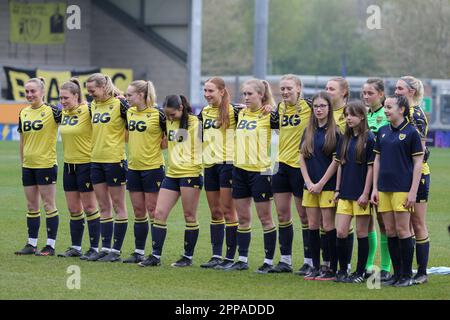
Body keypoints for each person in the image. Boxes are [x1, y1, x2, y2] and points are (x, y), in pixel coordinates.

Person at [139, 95, 203, 268]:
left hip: (191, 174)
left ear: (181, 108)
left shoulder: (196, 122)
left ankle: (187, 257)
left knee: (189, 216)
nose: (169, 118)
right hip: (172, 175)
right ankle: (155, 256)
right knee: (159, 214)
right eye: (167, 115)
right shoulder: (167, 121)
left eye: (172, 114)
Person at [370, 94, 424, 287]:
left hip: (402, 188)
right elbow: (377, 160)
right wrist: (374, 188)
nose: (385, 110)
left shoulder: (411, 132)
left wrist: (412, 192)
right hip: (384, 189)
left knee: (403, 230)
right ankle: (397, 273)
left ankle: (407, 275)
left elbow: (418, 163)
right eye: (385, 107)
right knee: (390, 230)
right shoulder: (383, 131)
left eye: (389, 107)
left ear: (401, 109)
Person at [227, 79, 278, 273]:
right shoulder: (240, 112)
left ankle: (268, 261)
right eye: (244, 94)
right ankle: (242, 259)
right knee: (242, 219)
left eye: (250, 94)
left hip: (261, 171)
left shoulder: (269, 116)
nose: (246, 97)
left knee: (265, 219)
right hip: (239, 170)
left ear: (261, 95)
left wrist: (271, 108)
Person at [269, 74, 312, 274]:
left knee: (304, 216)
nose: (285, 92)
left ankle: (310, 261)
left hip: (300, 167)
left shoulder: (310, 107)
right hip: (280, 166)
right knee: (282, 214)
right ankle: (285, 260)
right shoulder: (279, 108)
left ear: (299, 89)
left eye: (289, 88)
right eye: (283, 89)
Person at [85, 73, 129, 262]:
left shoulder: (120, 104)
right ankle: (105, 248)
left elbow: (138, 116)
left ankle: (116, 251)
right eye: (88, 91)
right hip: (96, 161)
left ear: (103, 87)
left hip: (115, 161)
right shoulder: (93, 105)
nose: (90, 94)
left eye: (92, 90)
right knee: (103, 206)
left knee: (119, 205)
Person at [15, 77, 61, 256]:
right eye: (27, 92)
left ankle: (50, 245)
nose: (29, 94)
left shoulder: (52, 111)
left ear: (42, 92)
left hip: (46, 165)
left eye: (33, 91)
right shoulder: (23, 112)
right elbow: (22, 141)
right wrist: (22, 162)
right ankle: (31, 244)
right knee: (31, 206)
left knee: (49, 205)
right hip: (28, 166)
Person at [122, 80, 166, 263]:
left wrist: (159, 146)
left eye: (129, 95)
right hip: (133, 168)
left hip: (153, 169)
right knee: (138, 211)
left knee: (153, 211)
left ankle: (155, 254)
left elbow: (176, 135)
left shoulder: (158, 114)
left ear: (141, 95)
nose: (126, 98)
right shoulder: (129, 112)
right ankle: (139, 251)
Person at [198, 77, 239, 270]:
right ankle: (216, 256)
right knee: (215, 212)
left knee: (228, 212)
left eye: (210, 91)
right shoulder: (204, 112)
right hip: (210, 165)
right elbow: (197, 136)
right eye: (205, 91)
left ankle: (230, 258)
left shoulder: (234, 111)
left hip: (227, 164)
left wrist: (266, 107)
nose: (207, 95)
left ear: (222, 91)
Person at [57, 78, 100, 259]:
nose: (63, 101)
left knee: (90, 207)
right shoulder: (64, 113)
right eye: (60, 98)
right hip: (69, 165)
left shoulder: (88, 109)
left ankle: (95, 248)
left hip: (86, 164)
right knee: (74, 209)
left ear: (76, 95)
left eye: (66, 98)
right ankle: (75, 247)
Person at [300, 91, 340, 281]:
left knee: (328, 225)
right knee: (312, 225)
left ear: (329, 108)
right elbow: (301, 157)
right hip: (309, 186)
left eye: (323, 106)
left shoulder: (335, 131)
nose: (319, 109)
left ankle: (330, 267)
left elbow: (336, 161)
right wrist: (308, 182)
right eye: (316, 106)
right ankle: (315, 266)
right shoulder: (308, 131)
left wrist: (321, 183)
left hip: (328, 186)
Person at [395, 76, 430, 285]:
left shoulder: (415, 113)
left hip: (418, 175)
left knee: (417, 223)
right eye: (396, 87)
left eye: (400, 88)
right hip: (402, 175)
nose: (396, 91)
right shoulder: (399, 112)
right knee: (403, 225)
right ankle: (403, 272)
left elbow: (421, 152)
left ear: (411, 91)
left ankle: (422, 272)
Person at [334, 101, 375, 283]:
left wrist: (366, 193)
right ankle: (343, 271)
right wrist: (337, 189)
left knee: (361, 233)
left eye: (352, 115)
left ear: (362, 117)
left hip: (361, 195)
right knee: (341, 231)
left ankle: (359, 272)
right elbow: (341, 166)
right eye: (346, 115)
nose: (348, 118)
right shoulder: (344, 138)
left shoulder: (369, 138)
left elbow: (371, 170)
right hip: (345, 193)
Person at [362, 78, 391, 281]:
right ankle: (368, 265)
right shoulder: (364, 115)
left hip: (381, 176)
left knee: (384, 222)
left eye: (370, 93)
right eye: (363, 93)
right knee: (366, 221)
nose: (365, 96)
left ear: (381, 94)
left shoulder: (387, 114)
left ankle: (387, 267)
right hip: (362, 175)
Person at [325, 77, 354, 274]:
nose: (327, 91)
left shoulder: (349, 114)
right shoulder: (322, 111)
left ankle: (348, 265)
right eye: (326, 88)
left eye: (332, 89)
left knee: (348, 222)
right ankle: (328, 264)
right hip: (322, 172)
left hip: (346, 172)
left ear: (343, 92)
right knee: (324, 222)